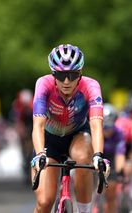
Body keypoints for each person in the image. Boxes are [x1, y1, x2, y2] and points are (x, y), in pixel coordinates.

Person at [31, 44, 110, 213]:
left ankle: (84, 210)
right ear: (53, 74)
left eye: (72, 75)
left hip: (78, 135)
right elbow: (38, 125)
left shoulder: (91, 86)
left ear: (80, 73)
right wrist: (39, 155)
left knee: (83, 158)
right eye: (61, 75)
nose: (66, 81)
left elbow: (96, 125)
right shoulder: (43, 84)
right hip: (49, 141)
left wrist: (98, 156)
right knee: (44, 203)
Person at [97, 103, 126, 213]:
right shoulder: (95, 131)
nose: (108, 131)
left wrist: (119, 172)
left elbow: (120, 155)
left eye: (110, 127)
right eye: (105, 127)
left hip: (111, 160)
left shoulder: (118, 134)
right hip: (96, 159)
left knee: (111, 193)